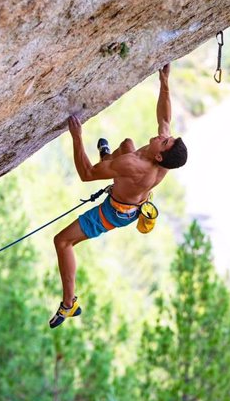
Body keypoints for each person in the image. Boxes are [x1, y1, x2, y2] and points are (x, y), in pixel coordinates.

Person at [49, 63, 188, 328]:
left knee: (63, 242)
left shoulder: (136, 166)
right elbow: (165, 119)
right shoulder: (161, 156)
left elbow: (87, 174)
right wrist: (165, 81)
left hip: (112, 213)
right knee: (126, 144)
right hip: (132, 198)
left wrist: (77, 137)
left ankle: (69, 304)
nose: (163, 136)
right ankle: (108, 158)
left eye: (165, 141)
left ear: (160, 155)